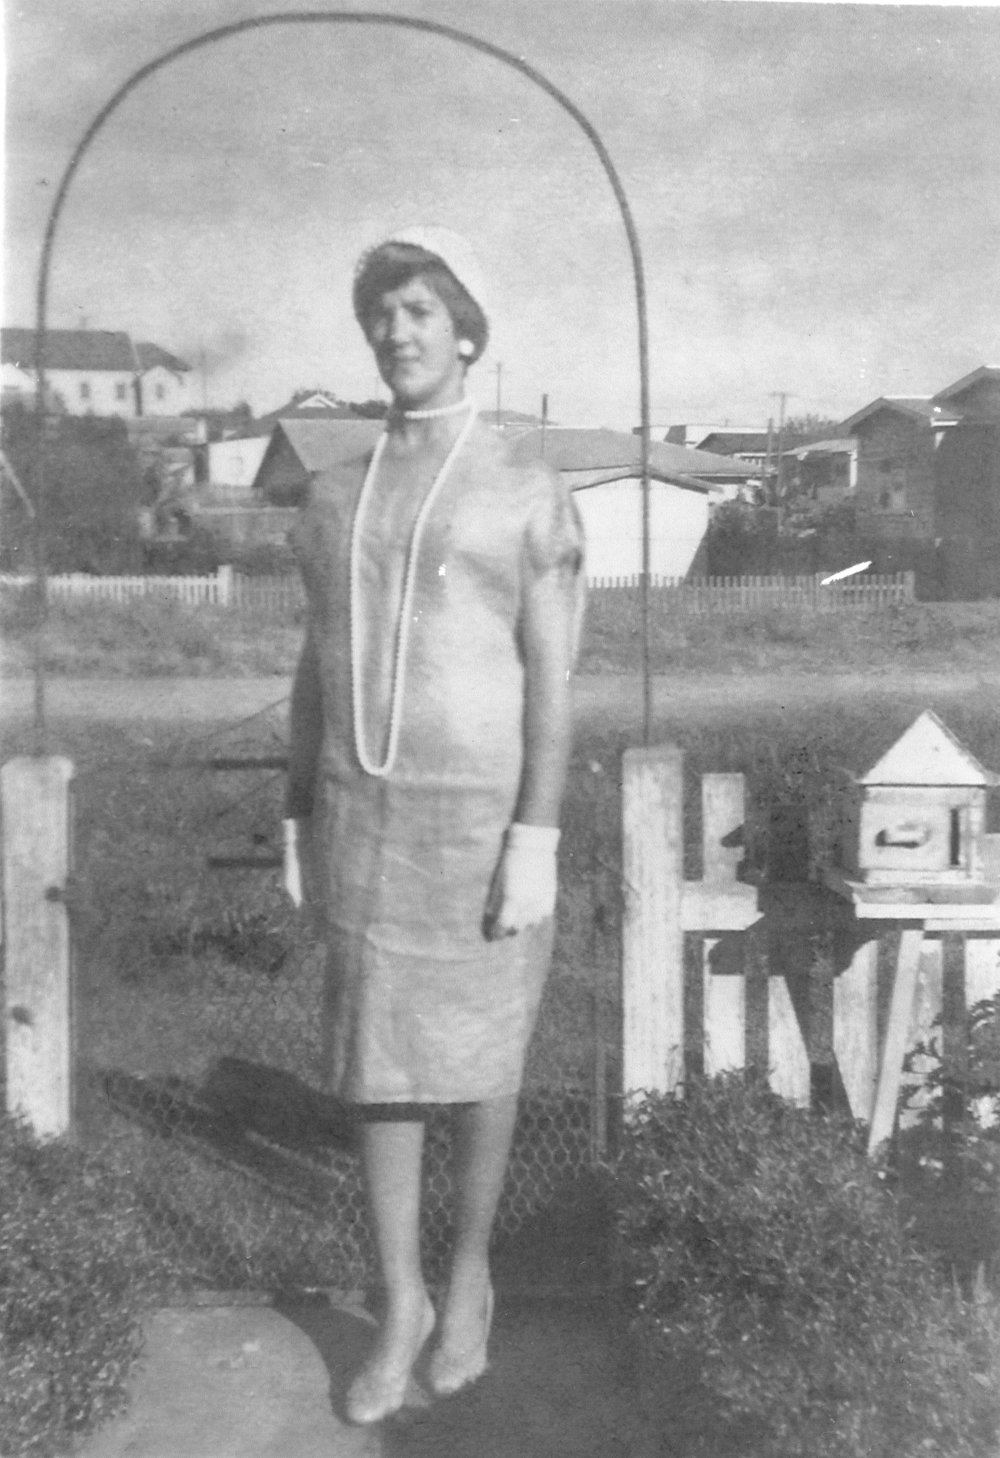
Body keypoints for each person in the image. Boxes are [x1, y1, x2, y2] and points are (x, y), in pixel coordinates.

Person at [282, 226, 584, 1426]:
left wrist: (538, 834)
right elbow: (312, 662)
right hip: (364, 813)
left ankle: (469, 1280)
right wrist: (297, 807)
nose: (397, 333)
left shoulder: (525, 483)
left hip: (480, 821)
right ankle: (398, 1298)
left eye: (420, 312)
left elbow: (554, 680)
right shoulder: (331, 490)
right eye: (381, 314)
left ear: (466, 330)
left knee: (479, 1060)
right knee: (379, 1065)